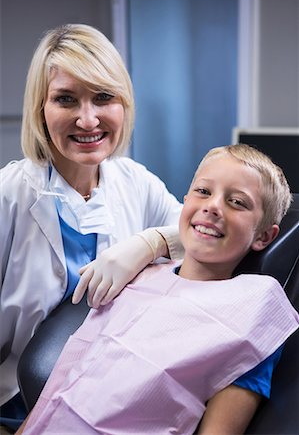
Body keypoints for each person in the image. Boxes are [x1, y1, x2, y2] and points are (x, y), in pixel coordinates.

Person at [17, 144, 299, 435]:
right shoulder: (140, 278)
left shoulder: (251, 312)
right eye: (203, 191)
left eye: (237, 202)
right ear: (185, 199)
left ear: (264, 236)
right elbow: (59, 389)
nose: (213, 206)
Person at [0, 23, 184, 431]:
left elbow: (201, 238)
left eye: (103, 97)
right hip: (18, 405)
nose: (88, 120)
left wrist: (148, 242)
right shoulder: (9, 195)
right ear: (40, 110)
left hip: (111, 398)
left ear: (124, 105)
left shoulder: (136, 183)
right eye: (66, 99)